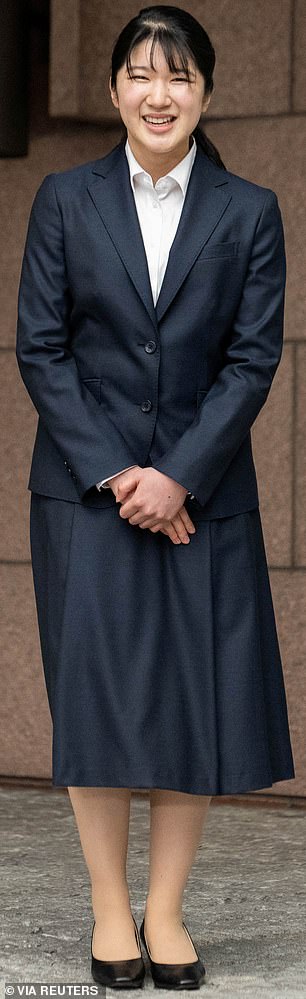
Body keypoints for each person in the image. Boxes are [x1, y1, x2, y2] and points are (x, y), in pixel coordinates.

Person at [16, 3, 295, 990]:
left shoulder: (249, 212)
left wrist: (180, 473)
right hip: (87, 496)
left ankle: (168, 914)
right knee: (97, 701)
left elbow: (252, 360)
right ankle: (107, 912)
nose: (158, 91)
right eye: (139, 72)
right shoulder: (64, 199)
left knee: (194, 702)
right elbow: (41, 351)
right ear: (113, 92)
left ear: (206, 92)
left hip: (202, 496)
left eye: (178, 75)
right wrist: (126, 474)